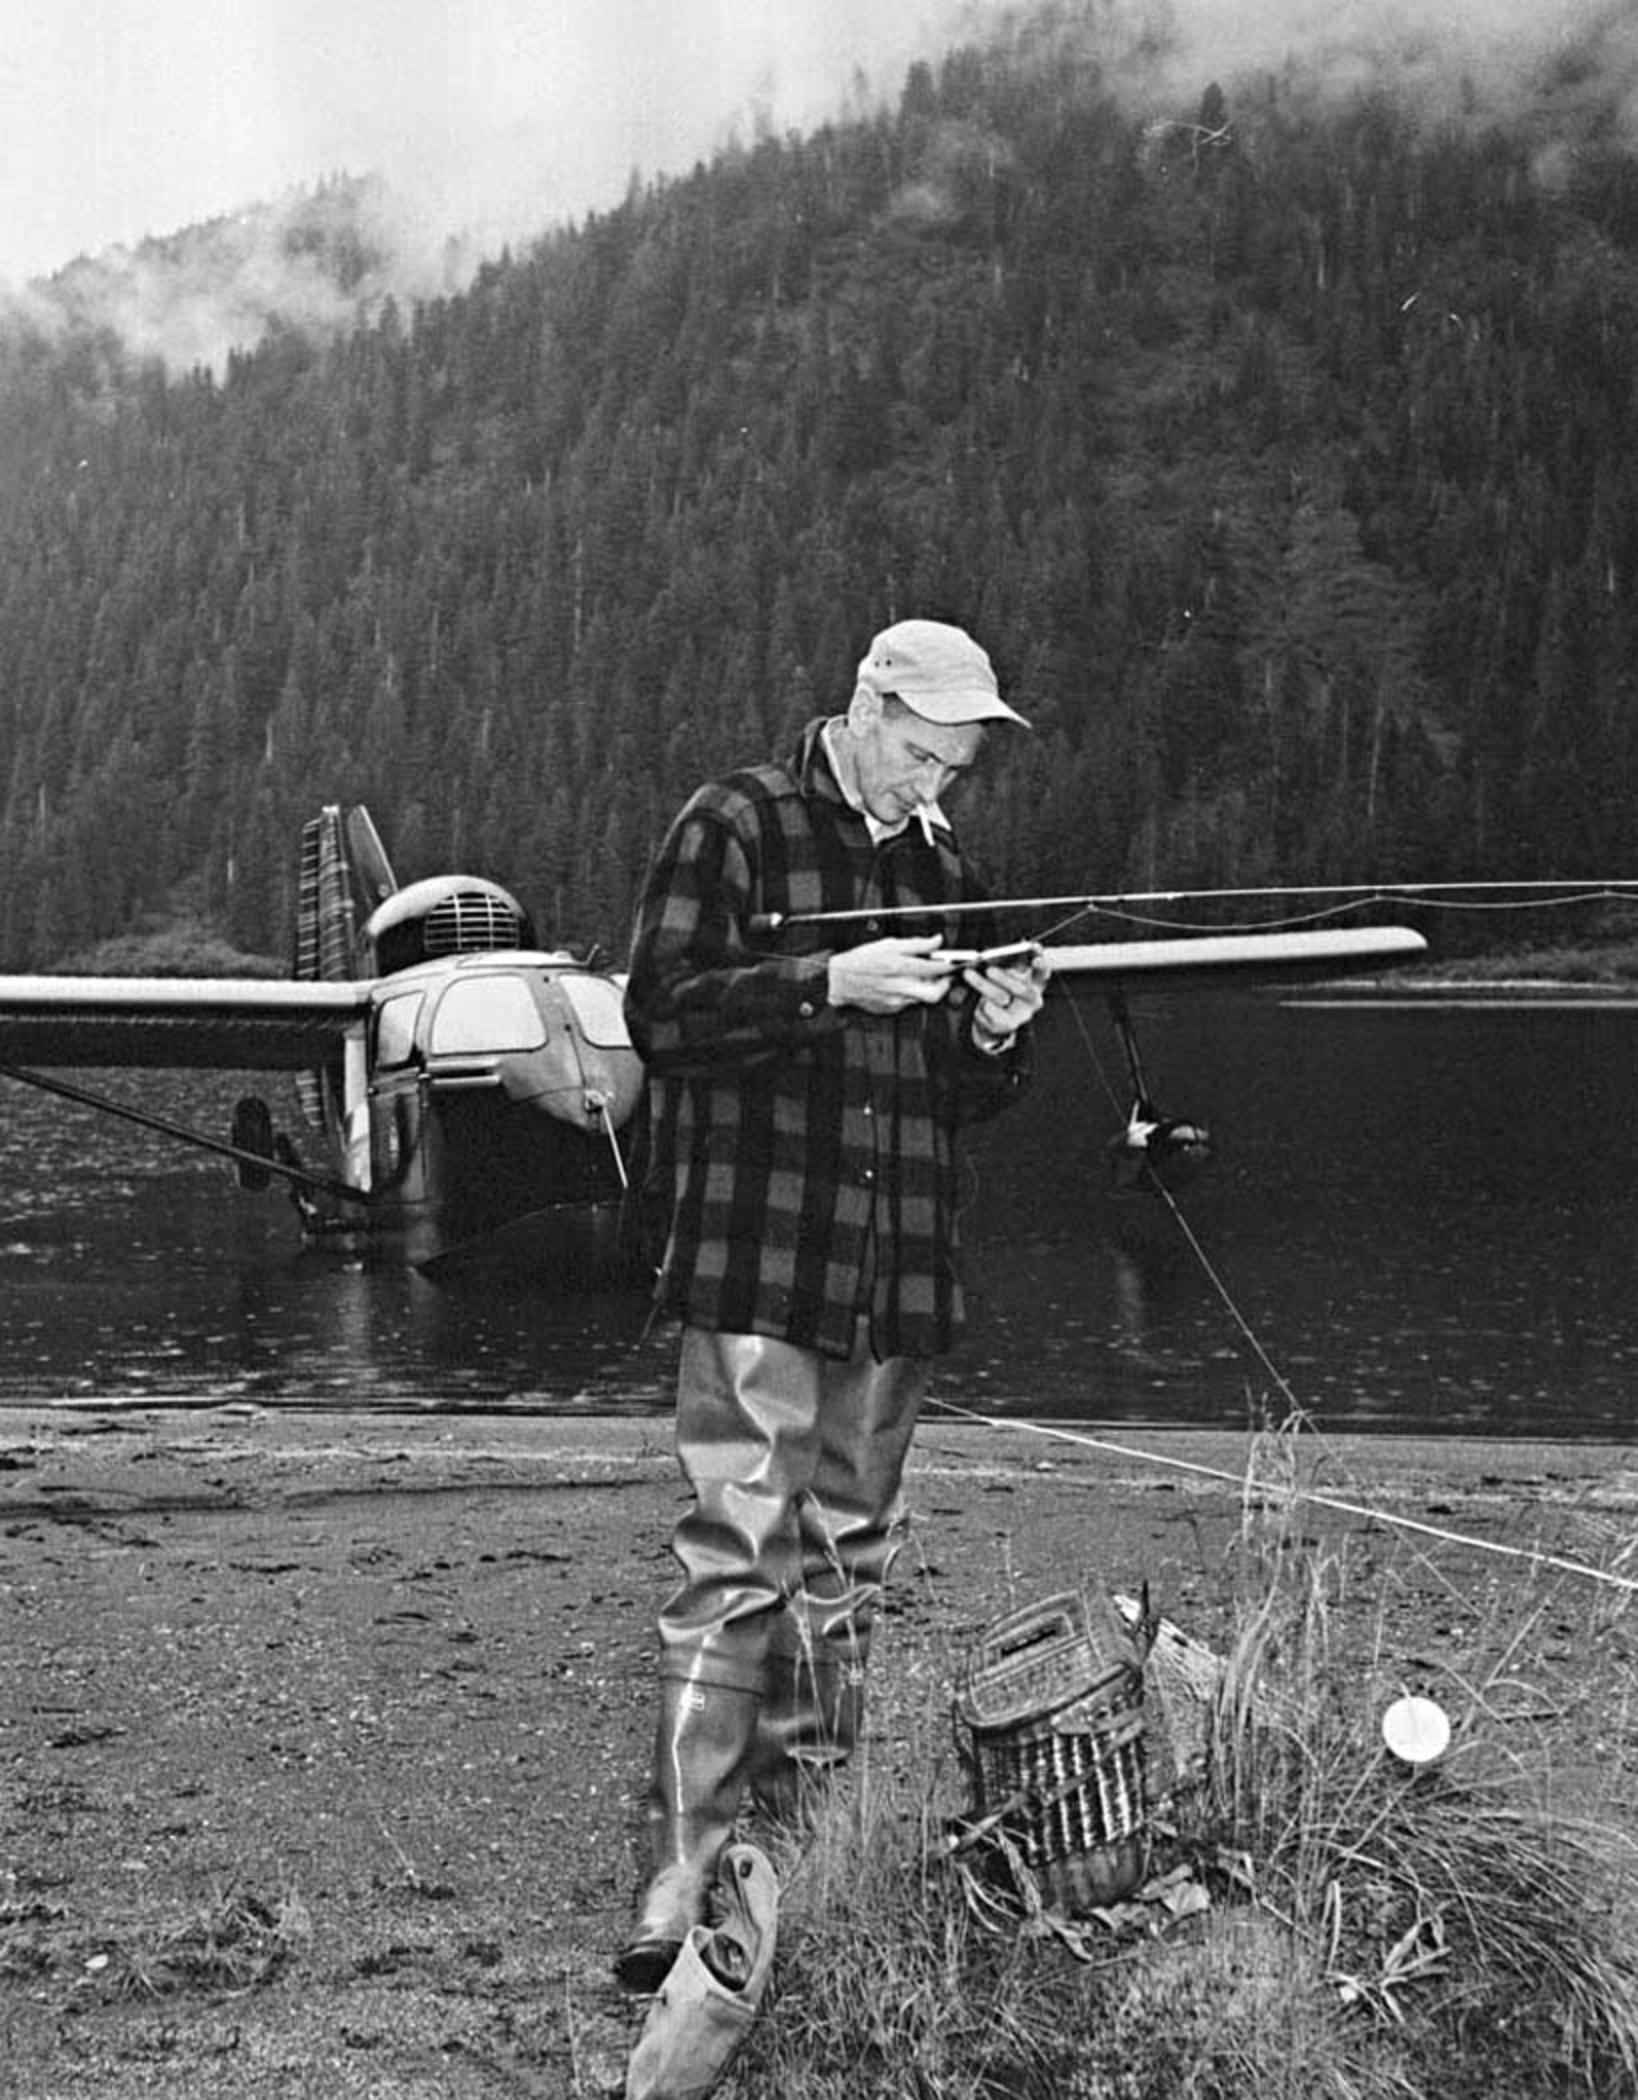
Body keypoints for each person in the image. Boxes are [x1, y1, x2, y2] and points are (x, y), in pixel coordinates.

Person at [615, 617, 1046, 1992]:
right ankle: (685, 1860)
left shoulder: (946, 870)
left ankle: (803, 1841)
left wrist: (994, 1029)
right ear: (864, 708)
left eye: (955, 769)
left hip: (893, 1266)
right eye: (920, 754)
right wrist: (824, 983)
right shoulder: (734, 821)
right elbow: (659, 1013)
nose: (935, 787)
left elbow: (963, 1100)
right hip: (755, 1256)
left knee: (846, 1561)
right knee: (734, 1552)